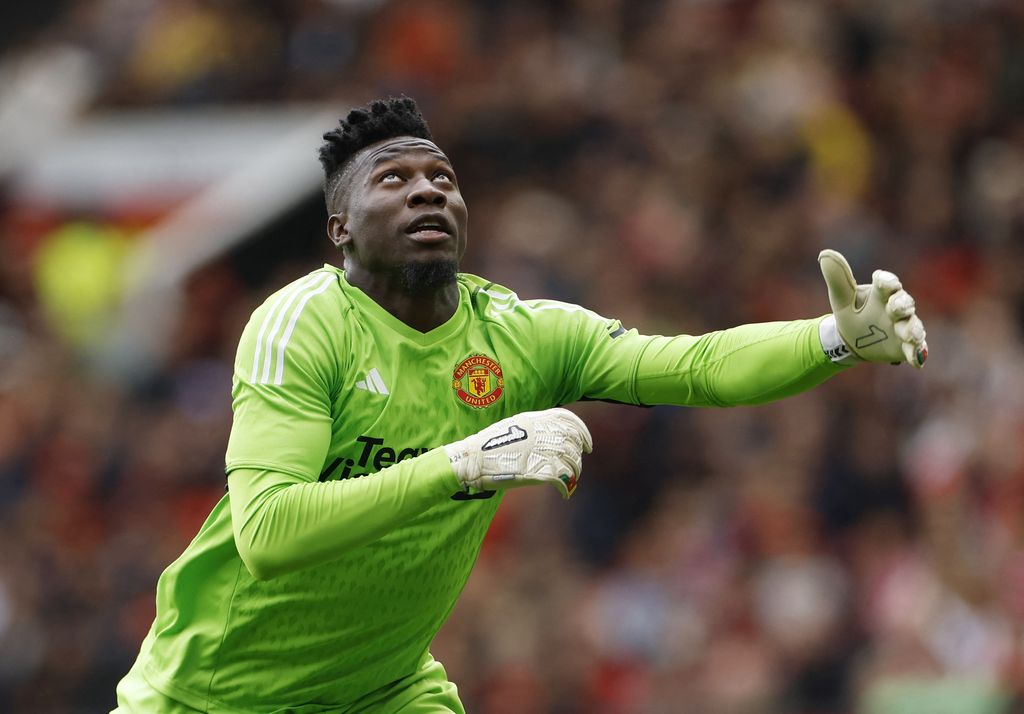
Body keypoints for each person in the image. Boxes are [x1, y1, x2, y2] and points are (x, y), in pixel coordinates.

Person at [112, 96, 928, 713]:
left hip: (382, 692)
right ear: (340, 229)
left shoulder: (519, 335)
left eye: (442, 179)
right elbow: (267, 533)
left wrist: (832, 340)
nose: (427, 191)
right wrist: (461, 465)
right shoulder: (303, 323)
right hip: (211, 694)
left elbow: (697, 367)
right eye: (393, 180)